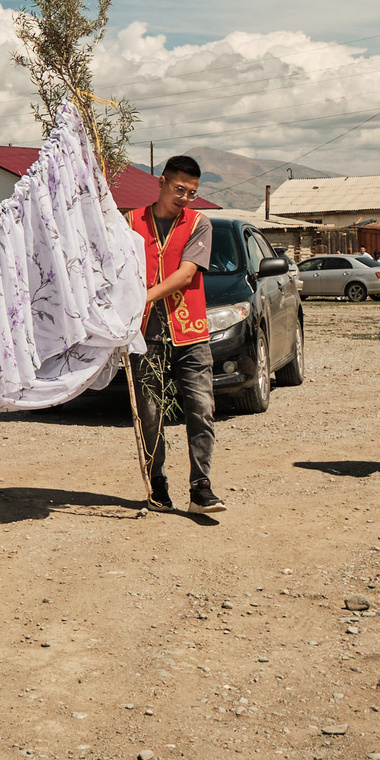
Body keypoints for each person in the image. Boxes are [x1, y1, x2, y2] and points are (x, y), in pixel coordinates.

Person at [130, 155, 222, 514]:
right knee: (150, 413)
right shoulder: (131, 221)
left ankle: (201, 488)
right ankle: (157, 484)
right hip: (145, 333)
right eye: (179, 188)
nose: (185, 197)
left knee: (201, 409)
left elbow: (185, 276)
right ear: (162, 182)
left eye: (192, 192)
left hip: (190, 331)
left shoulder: (200, 223)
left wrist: (143, 296)